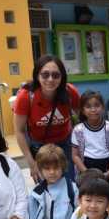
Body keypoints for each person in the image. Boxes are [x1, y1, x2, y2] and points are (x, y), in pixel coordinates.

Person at [13, 54, 81, 183]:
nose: (50, 79)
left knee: (69, 183)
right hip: (39, 145)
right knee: (45, 185)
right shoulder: (26, 96)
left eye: (56, 75)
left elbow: (80, 117)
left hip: (65, 142)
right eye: (45, 74)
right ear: (37, 75)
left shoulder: (70, 91)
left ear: (62, 76)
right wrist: (31, 163)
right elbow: (19, 130)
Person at [71, 90, 109, 182]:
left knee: (108, 191)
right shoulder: (78, 130)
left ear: (103, 107)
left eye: (97, 105)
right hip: (86, 166)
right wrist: (86, 173)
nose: (93, 110)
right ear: (82, 110)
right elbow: (75, 155)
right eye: (88, 106)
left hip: (107, 165)